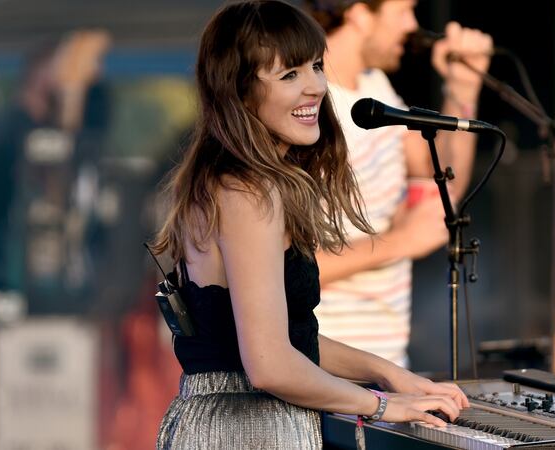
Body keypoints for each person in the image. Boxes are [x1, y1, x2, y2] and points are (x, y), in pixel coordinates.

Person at [150, 2, 468, 448]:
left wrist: (388, 373)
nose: (316, 86)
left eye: (316, 67)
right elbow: (270, 365)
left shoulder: (244, 184)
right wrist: (381, 404)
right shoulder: (247, 192)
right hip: (246, 430)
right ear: (240, 91)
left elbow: (290, 340)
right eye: (289, 75)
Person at [306, 0, 494, 367]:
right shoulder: (310, 110)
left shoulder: (375, 86)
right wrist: (400, 241)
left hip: (385, 360)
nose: (411, 25)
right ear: (359, 13)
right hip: (326, 364)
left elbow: (443, 178)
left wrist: (463, 89)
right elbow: (281, 271)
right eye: (403, 10)